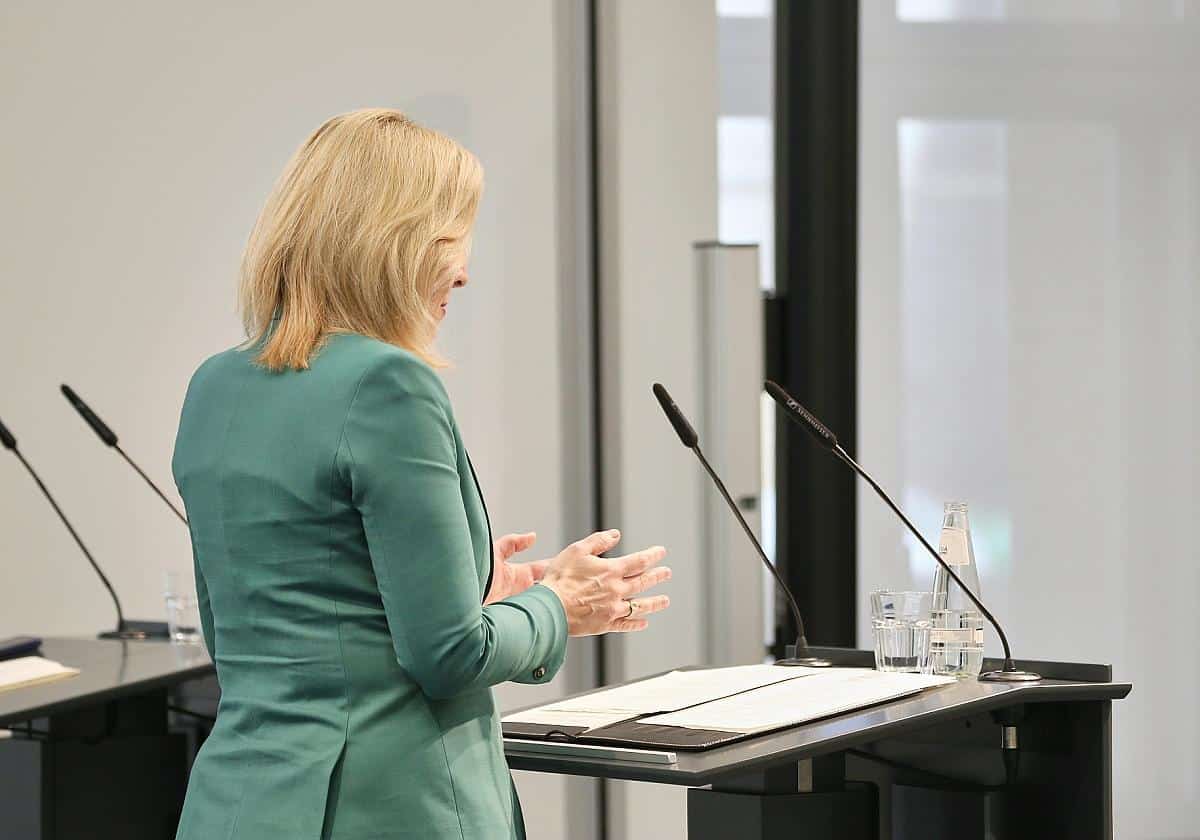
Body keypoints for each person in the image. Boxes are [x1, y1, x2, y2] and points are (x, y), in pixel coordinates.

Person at [171, 108, 671, 840]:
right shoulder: (388, 385)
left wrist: (471, 590)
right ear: (392, 242)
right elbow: (451, 656)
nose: (463, 272)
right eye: (451, 240)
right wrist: (560, 605)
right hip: (384, 809)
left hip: (238, 807)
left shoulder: (214, 385)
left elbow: (248, 634)